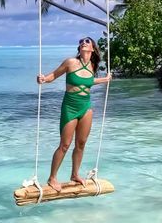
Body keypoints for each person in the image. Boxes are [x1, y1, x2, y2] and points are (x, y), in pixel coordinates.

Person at [36, 36, 111, 192]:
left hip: (86, 107)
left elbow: (89, 81)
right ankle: (52, 178)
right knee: (65, 145)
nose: (83, 42)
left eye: (87, 41)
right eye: (81, 41)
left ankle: (75, 174)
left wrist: (105, 79)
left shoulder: (92, 65)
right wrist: (43, 79)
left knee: (81, 143)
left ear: (92, 48)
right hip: (70, 106)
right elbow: (53, 75)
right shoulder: (70, 62)